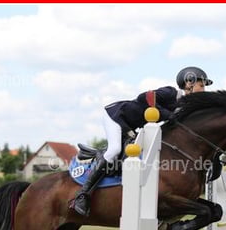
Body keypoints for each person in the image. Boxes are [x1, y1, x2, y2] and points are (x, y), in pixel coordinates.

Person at [71, 66, 213, 216]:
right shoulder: (170, 93)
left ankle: (101, 160)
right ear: (189, 82)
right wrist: (168, 115)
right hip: (116, 116)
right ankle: (82, 195)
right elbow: (145, 97)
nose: (203, 89)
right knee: (115, 150)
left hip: (131, 125)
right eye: (201, 85)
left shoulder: (182, 105)